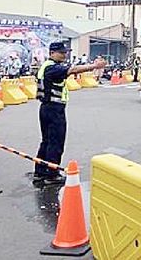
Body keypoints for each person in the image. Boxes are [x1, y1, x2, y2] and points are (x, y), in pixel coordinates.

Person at [33, 42, 106, 186]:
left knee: (46, 141)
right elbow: (72, 70)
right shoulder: (52, 68)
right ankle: (51, 175)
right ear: (52, 53)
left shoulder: (46, 67)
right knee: (55, 142)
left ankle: (40, 172)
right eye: (62, 52)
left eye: (65, 52)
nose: (64, 55)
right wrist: (94, 66)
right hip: (54, 109)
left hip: (46, 108)